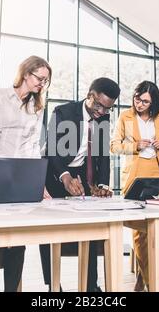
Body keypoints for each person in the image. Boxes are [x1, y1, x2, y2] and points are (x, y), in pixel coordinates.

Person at [0, 55, 52, 292]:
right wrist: (4, 172)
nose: (42, 83)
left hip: (20, 176)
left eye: (46, 80)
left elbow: (32, 144)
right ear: (26, 73)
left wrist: (36, 180)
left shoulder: (36, 106)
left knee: (17, 241)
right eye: (40, 78)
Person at [41, 77, 120, 292]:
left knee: (92, 228)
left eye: (107, 109)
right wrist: (65, 176)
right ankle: (53, 285)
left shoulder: (103, 118)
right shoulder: (63, 112)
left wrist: (102, 184)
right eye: (99, 106)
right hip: (54, 172)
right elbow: (52, 150)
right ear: (90, 95)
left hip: (81, 174)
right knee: (49, 231)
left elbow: (103, 155)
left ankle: (91, 285)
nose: (102, 112)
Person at [110, 80, 159, 291]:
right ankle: (148, 278)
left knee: (157, 227)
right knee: (139, 230)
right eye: (137, 99)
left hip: (158, 173)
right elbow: (114, 146)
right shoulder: (125, 116)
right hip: (135, 176)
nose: (139, 104)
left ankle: (144, 275)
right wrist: (135, 146)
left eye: (145, 101)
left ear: (153, 102)